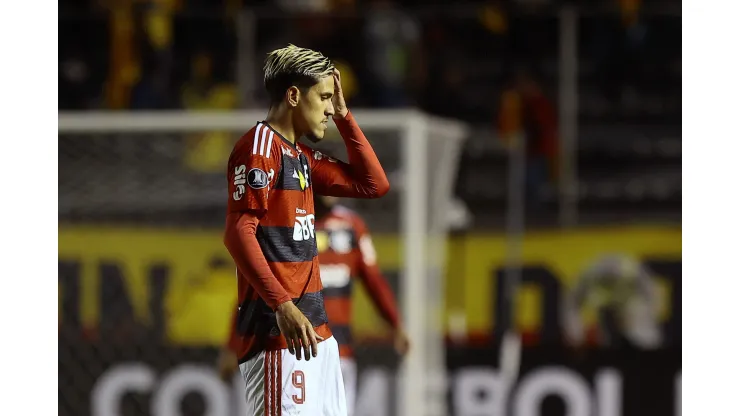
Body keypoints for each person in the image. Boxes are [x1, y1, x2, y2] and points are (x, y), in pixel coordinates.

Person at [222, 44, 390, 416]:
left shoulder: (301, 157)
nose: (331, 108)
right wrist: (282, 304)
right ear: (294, 95)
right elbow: (237, 232)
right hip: (279, 337)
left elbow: (373, 185)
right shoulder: (258, 149)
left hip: (318, 338)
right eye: (326, 97)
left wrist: (346, 117)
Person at [220, 195, 410, 415]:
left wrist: (396, 324)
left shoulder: (351, 227)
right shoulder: (281, 222)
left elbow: (374, 281)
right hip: (291, 351)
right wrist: (233, 345)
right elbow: (255, 288)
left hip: (339, 353)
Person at [563, 253, 663, 350]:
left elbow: (652, 296)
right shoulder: (597, 332)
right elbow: (572, 304)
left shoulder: (640, 323)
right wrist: (576, 332)